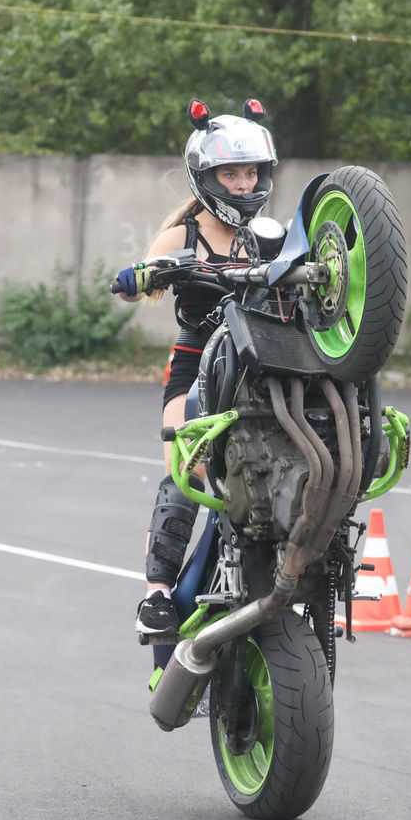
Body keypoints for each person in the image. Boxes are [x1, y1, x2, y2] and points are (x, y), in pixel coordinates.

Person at [114, 98, 278, 635]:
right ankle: (156, 596)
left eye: (250, 172)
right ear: (206, 176)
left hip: (263, 367)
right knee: (186, 471)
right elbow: (134, 284)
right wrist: (141, 276)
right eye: (231, 173)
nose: (242, 183)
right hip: (199, 367)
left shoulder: (270, 236)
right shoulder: (182, 237)